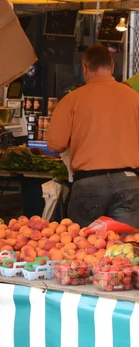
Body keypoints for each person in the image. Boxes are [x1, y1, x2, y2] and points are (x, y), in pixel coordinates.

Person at [47, 44, 139, 228]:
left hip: (88, 184)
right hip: (128, 182)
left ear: (84, 68)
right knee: (125, 249)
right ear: (112, 67)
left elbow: (55, 144)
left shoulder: (72, 100)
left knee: (83, 249)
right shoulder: (134, 98)